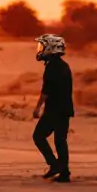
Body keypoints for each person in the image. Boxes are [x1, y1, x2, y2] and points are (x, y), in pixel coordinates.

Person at [32, 33, 73, 183]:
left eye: (43, 46)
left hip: (54, 109)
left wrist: (38, 108)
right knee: (60, 140)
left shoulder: (53, 67)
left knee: (38, 136)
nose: (40, 50)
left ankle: (54, 165)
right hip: (65, 109)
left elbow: (46, 91)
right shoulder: (63, 65)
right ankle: (64, 172)